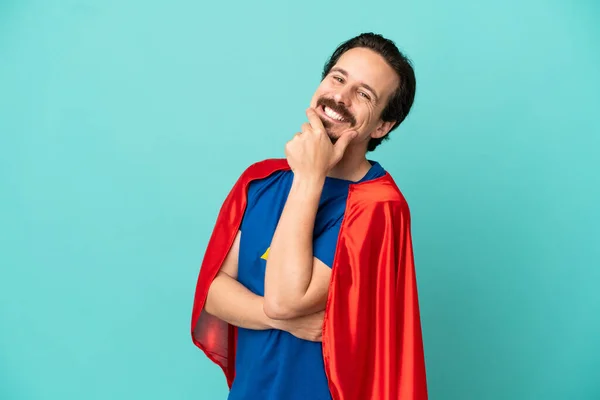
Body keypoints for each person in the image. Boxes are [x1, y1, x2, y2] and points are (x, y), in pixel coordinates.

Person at [190, 32, 428, 400]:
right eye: (338, 77)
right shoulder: (262, 181)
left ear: (382, 126)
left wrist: (309, 176)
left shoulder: (378, 206)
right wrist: (276, 318)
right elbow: (215, 292)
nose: (340, 97)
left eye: (364, 94)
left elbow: (286, 299)